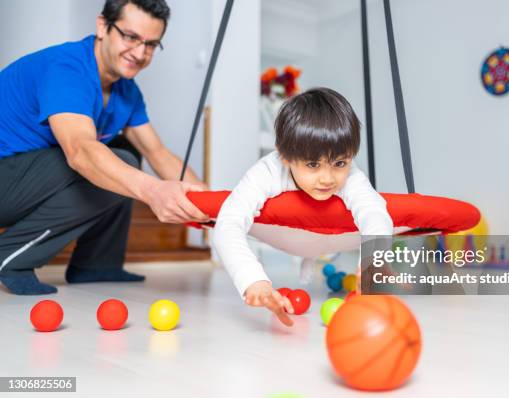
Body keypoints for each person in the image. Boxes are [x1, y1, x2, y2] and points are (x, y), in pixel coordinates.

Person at [0, 0, 208, 296]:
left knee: (125, 151)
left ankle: (96, 264)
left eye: (151, 44)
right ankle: (10, 256)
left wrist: (211, 203)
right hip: (6, 175)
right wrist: (153, 191)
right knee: (114, 158)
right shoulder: (67, 68)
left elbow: (158, 154)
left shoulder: (127, 92)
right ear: (102, 26)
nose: (139, 53)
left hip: (21, 182)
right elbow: (80, 151)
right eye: (131, 37)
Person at [213, 88, 393, 326]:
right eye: (312, 164)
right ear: (285, 156)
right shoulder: (267, 171)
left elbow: (373, 212)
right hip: (283, 237)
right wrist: (252, 279)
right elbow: (228, 223)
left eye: (339, 162)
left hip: (331, 240)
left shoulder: (352, 176)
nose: (327, 178)